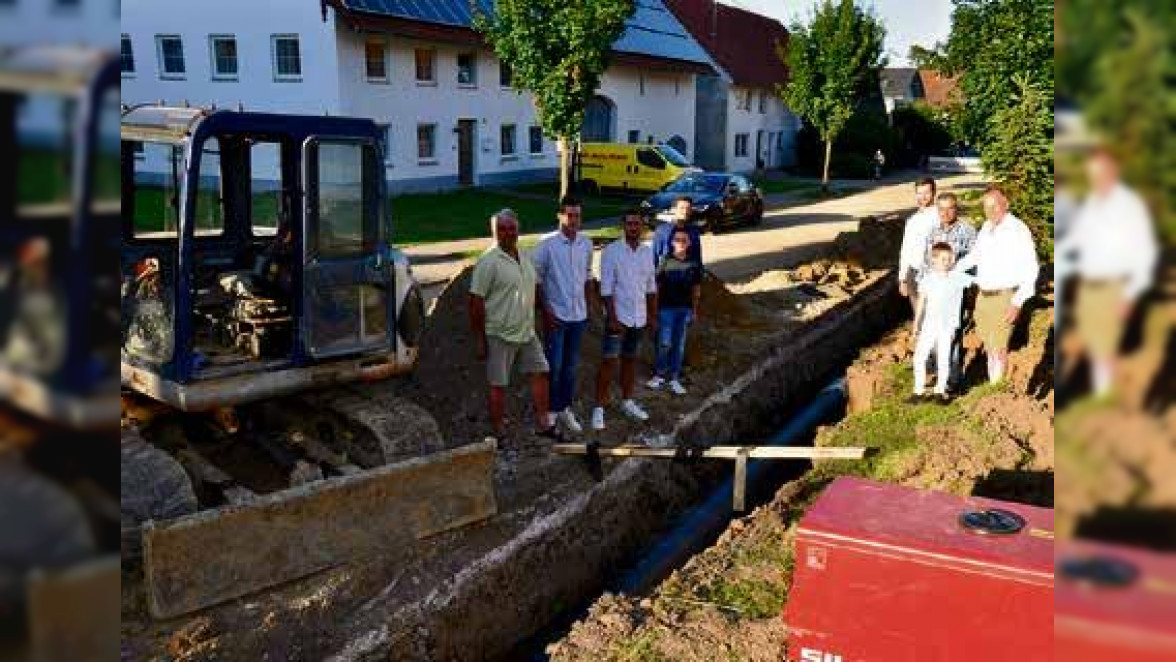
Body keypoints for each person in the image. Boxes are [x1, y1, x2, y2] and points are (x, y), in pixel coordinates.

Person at [1056, 148, 1158, 397]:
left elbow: (1145, 253)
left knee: (1107, 347)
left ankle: (1105, 398)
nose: (1096, 178)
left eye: (1100, 173)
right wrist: (1061, 253)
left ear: (1114, 172)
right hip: (1089, 286)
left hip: (1114, 286)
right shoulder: (1093, 202)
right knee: (1093, 343)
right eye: (1092, 174)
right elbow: (1079, 238)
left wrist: (1130, 294)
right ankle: (1099, 393)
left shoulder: (1129, 206)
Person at [468, 209, 557, 440]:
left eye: (512, 228)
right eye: (502, 229)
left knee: (541, 372)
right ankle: (499, 432)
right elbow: (475, 301)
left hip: (526, 331)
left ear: (519, 230)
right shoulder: (488, 262)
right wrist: (479, 339)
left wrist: (546, 312)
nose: (508, 233)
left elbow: (535, 286)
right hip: (499, 333)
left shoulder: (524, 255)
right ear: (494, 233)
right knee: (498, 385)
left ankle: (544, 424)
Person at [952, 186, 1039, 384]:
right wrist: (953, 269)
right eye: (986, 207)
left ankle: (997, 388)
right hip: (984, 296)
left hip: (1004, 296)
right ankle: (993, 385)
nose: (991, 211)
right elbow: (975, 256)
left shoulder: (1017, 229)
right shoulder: (986, 228)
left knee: (1000, 347)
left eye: (995, 206)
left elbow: (1031, 268)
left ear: (1005, 205)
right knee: (989, 344)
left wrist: (1017, 302)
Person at [532, 195, 595, 433]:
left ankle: (564, 408)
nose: (574, 220)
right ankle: (550, 410)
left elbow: (588, 275)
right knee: (554, 366)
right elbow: (536, 281)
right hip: (556, 316)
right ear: (559, 216)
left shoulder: (586, 244)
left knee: (571, 366)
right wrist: (546, 312)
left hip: (578, 316)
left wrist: (588, 307)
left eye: (577, 215)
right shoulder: (546, 245)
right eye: (569, 215)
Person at [592, 211, 658, 431]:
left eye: (637, 224)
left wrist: (652, 315)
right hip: (618, 318)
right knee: (609, 362)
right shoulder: (611, 252)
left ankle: (627, 401)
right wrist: (612, 318)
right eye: (629, 223)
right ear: (623, 226)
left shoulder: (647, 253)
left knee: (630, 360)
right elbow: (606, 288)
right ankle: (599, 408)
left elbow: (650, 287)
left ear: (642, 227)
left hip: (639, 317)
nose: (633, 227)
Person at [922, 192, 977, 391]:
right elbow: (926, 261)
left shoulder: (968, 231)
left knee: (952, 333)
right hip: (934, 291)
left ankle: (953, 378)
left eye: (949, 208)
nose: (945, 213)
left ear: (957, 209)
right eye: (941, 209)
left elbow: (974, 262)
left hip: (954, 293)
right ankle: (935, 369)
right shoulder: (932, 231)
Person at [911, 242, 973, 403]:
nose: (948, 262)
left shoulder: (957, 278)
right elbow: (922, 302)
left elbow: (978, 281)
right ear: (934, 260)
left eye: (950, 259)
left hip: (948, 325)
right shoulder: (927, 279)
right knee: (920, 356)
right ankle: (918, 391)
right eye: (943, 259)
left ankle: (940, 391)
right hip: (929, 324)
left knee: (944, 358)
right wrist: (916, 324)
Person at [648, 228, 702, 395]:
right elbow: (656, 287)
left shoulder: (694, 264)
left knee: (679, 345)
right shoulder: (664, 261)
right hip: (666, 309)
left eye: (684, 240)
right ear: (672, 243)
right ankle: (659, 375)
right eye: (677, 240)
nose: (680, 243)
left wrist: (694, 310)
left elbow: (696, 289)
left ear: (689, 243)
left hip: (684, 310)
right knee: (664, 343)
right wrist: (654, 310)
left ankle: (674, 378)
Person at [897, 178, 939, 311]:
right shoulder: (912, 220)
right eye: (919, 193)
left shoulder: (939, 217)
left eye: (926, 193)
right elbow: (906, 250)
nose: (923, 197)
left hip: (932, 274)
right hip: (913, 273)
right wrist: (902, 278)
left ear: (934, 193)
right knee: (919, 314)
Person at [652, 196, 702, 268]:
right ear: (673, 210)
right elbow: (654, 256)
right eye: (682, 208)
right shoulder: (662, 231)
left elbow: (697, 257)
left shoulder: (694, 232)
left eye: (688, 208)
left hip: (689, 274)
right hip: (668, 274)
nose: (685, 211)